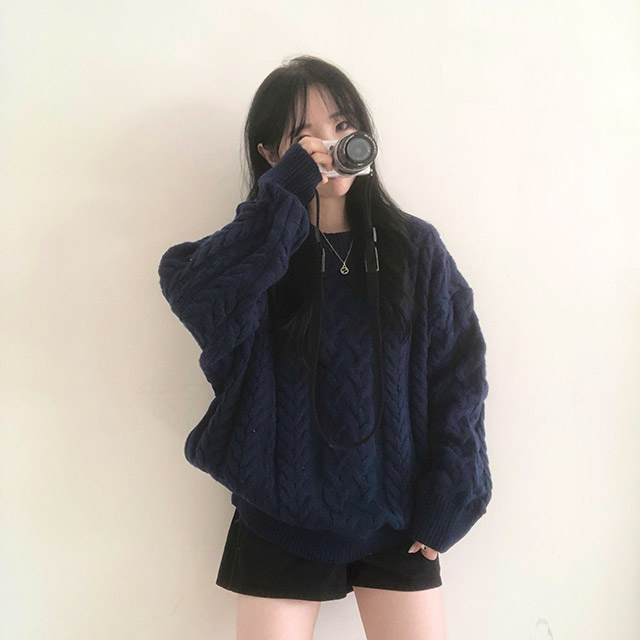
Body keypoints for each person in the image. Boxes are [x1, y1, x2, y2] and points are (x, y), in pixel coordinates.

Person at [158, 54, 491, 640]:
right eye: (302, 137)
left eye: (342, 126)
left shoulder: (415, 250)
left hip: (400, 517)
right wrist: (281, 198)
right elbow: (198, 297)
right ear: (270, 153)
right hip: (278, 514)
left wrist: (451, 496)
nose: (328, 146)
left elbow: (459, 380)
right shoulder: (255, 254)